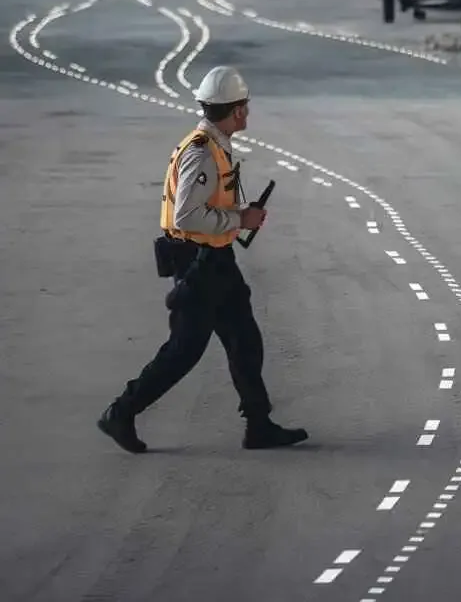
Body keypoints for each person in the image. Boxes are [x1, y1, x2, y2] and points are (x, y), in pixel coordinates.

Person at [98, 65, 308, 453]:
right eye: (245, 106)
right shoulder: (202, 153)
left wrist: (237, 216)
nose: (247, 112)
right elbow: (186, 215)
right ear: (238, 110)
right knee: (184, 351)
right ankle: (121, 412)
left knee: (245, 339)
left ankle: (259, 425)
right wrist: (240, 219)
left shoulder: (215, 143)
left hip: (217, 259)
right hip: (198, 263)